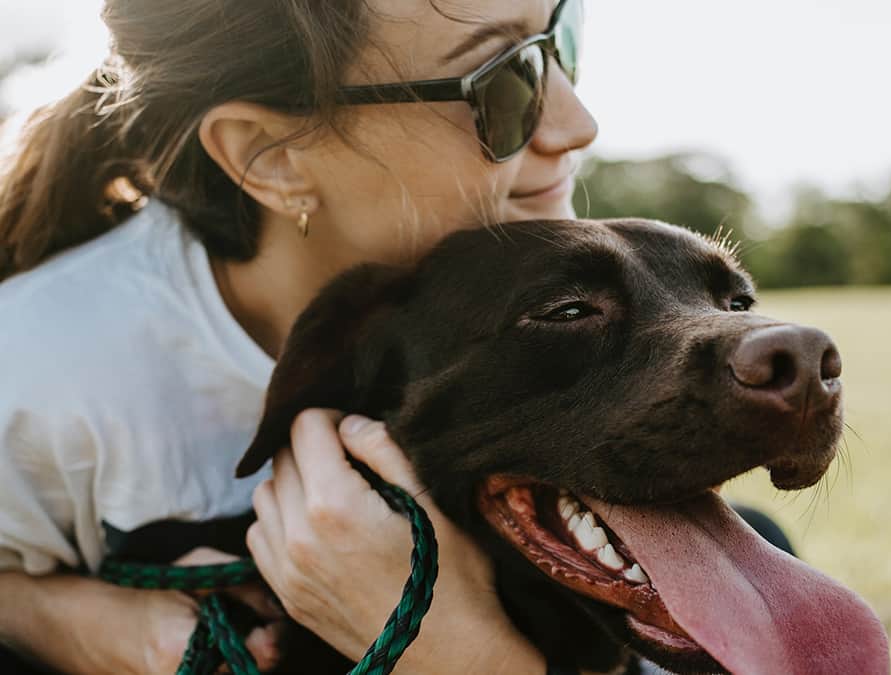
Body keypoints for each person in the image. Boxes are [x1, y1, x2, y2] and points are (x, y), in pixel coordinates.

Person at [0, 0, 594, 672]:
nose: (578, 123)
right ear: (271, 157)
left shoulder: (569, 320)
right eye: (503, 81)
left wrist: (455, 647)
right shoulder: (35, 370)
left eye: (561, 36)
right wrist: (63, 621)